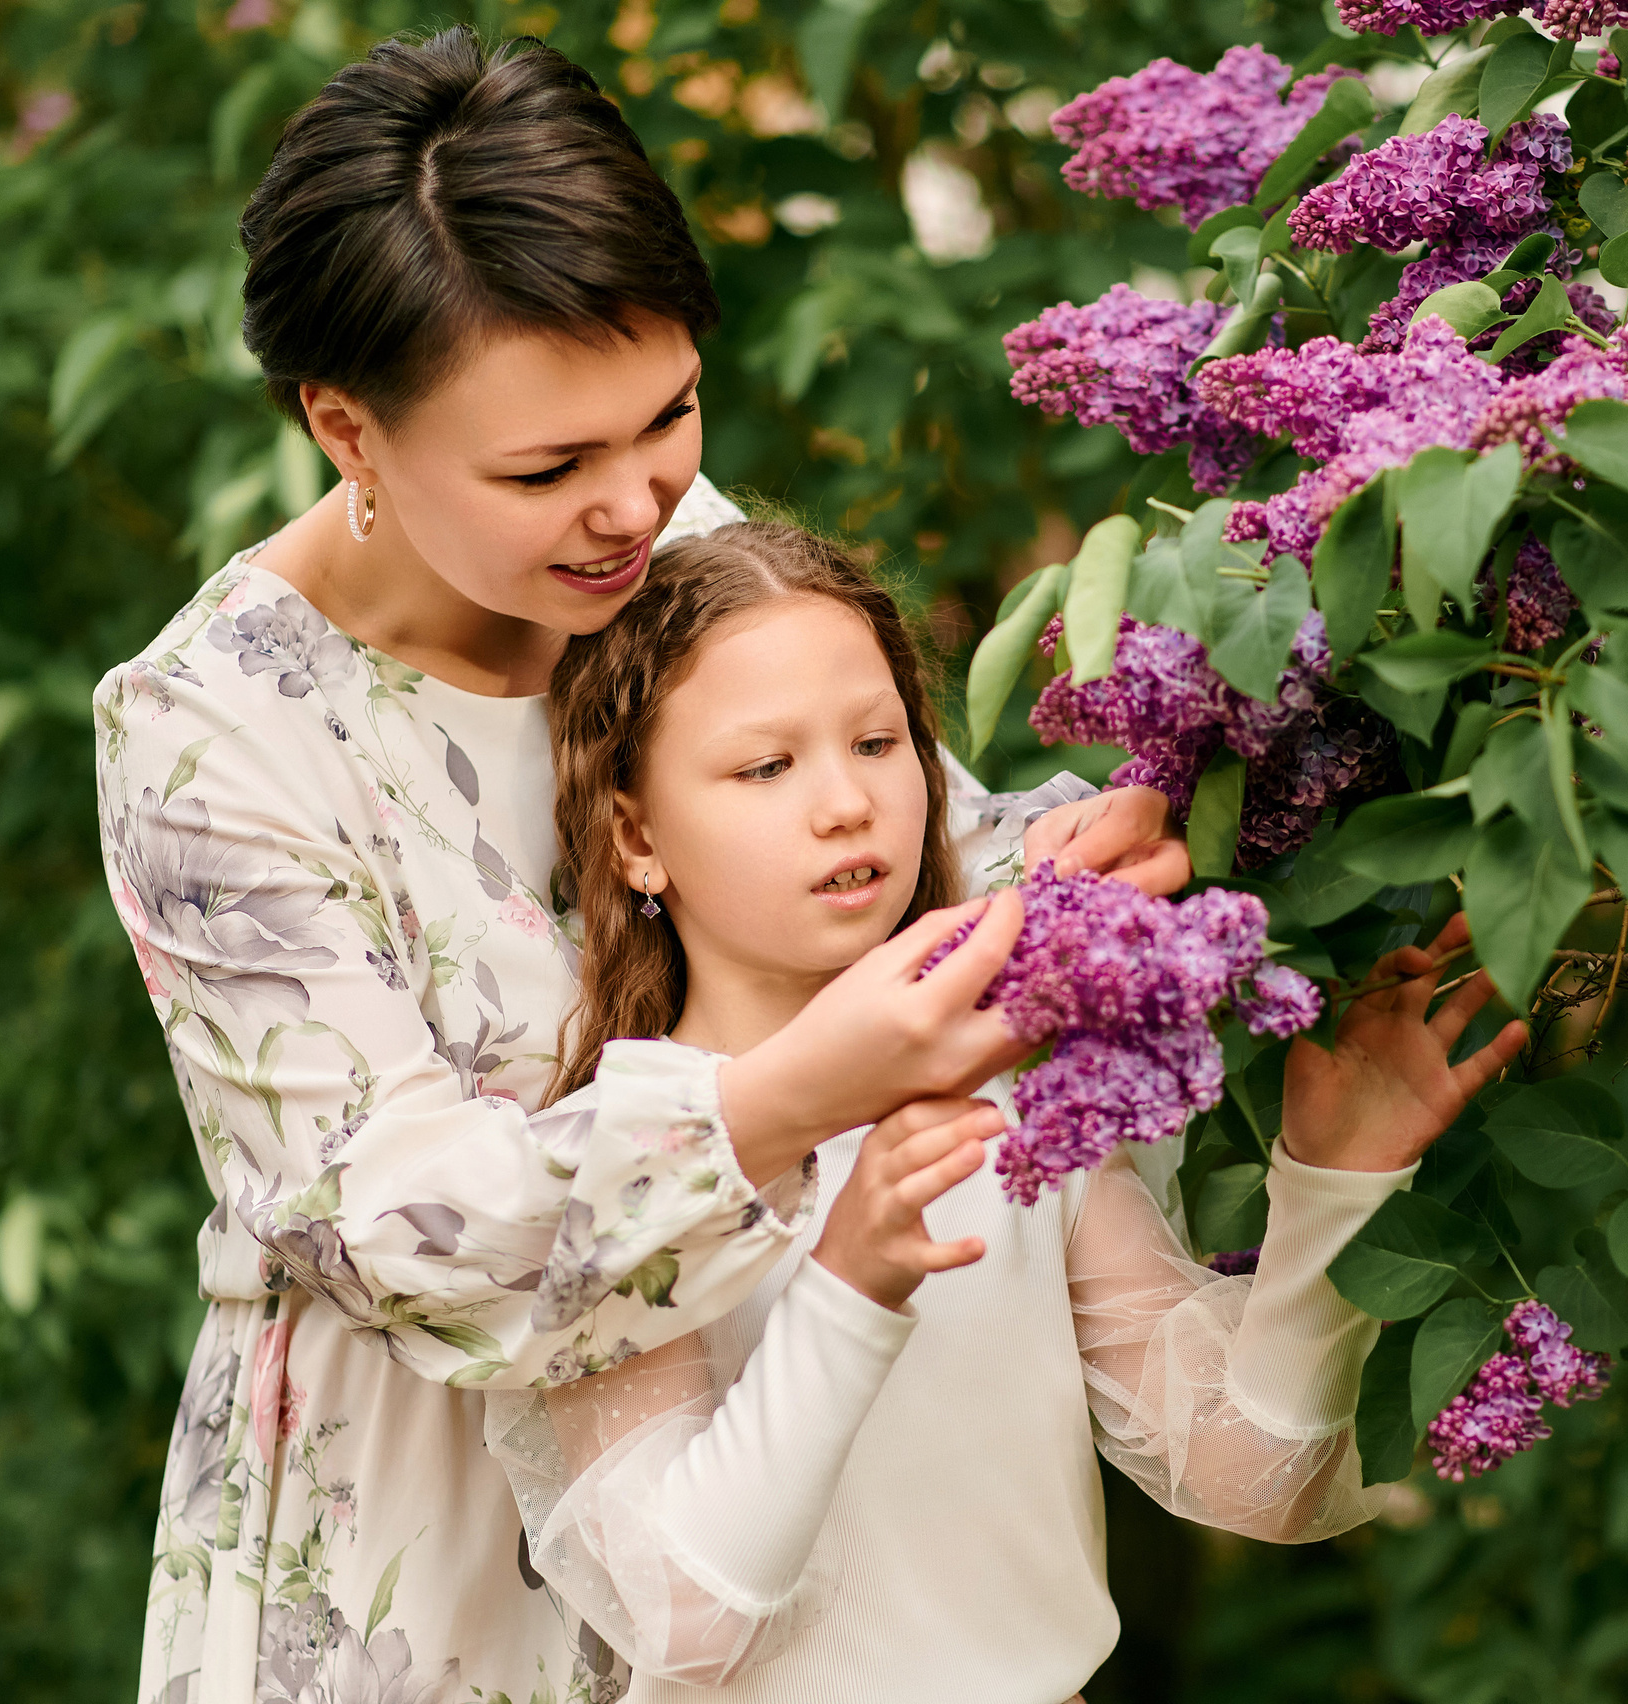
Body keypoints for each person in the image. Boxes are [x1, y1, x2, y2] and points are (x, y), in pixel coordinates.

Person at [94, 31, 1186, 1704]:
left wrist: (1084, 855)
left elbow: (921, 840)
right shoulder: (215, 736)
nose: (633, 504)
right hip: (428, 1546)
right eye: (546, 468)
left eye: (669, 412)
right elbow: (402, 1232)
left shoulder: (658, 540)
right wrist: (785, 1095)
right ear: (348, 431)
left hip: (760, 1488)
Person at [483, 520, 1526, 1701]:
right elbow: (687, 1621)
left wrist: (1334, 1187)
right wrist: (847, 1285)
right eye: (765, 766)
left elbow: (1255, 1477)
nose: (844, 803)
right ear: (634, 836)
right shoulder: (615, 1162)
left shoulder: (1018, 1086)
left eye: (879, 742)